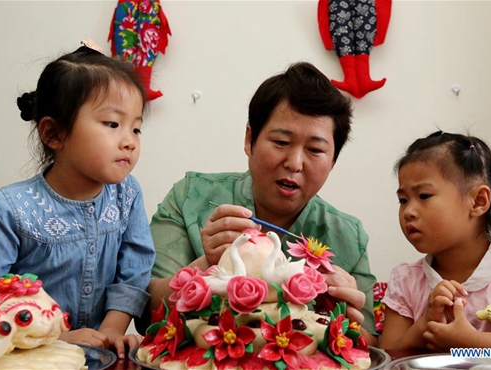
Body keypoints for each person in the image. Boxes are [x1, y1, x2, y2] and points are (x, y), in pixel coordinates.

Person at [146, 62, 378, 344]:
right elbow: (148, 313)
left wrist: (347, 316)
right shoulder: (190, 198)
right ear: (249, 139)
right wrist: (206, 263)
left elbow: (370, 344)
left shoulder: (347, 237)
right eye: (281, 142)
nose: (294, 163)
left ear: (333, 161)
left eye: (315, 150)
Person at [0, 42, 155, 358]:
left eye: (136, 129)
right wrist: (59, 337)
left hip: (102, 358)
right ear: (54, 134)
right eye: (113, 124)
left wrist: (111, 330)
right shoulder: (9, 210)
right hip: (27, 358)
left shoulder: (128, 193)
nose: (129, 142)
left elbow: (134, 271)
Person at [379, 131, 491, 356]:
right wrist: (424, 326)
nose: (408, 212)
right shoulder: (406, 280)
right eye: (403, 200)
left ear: (478, 201)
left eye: (423, 196)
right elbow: (388, 356)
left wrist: (476, 343)